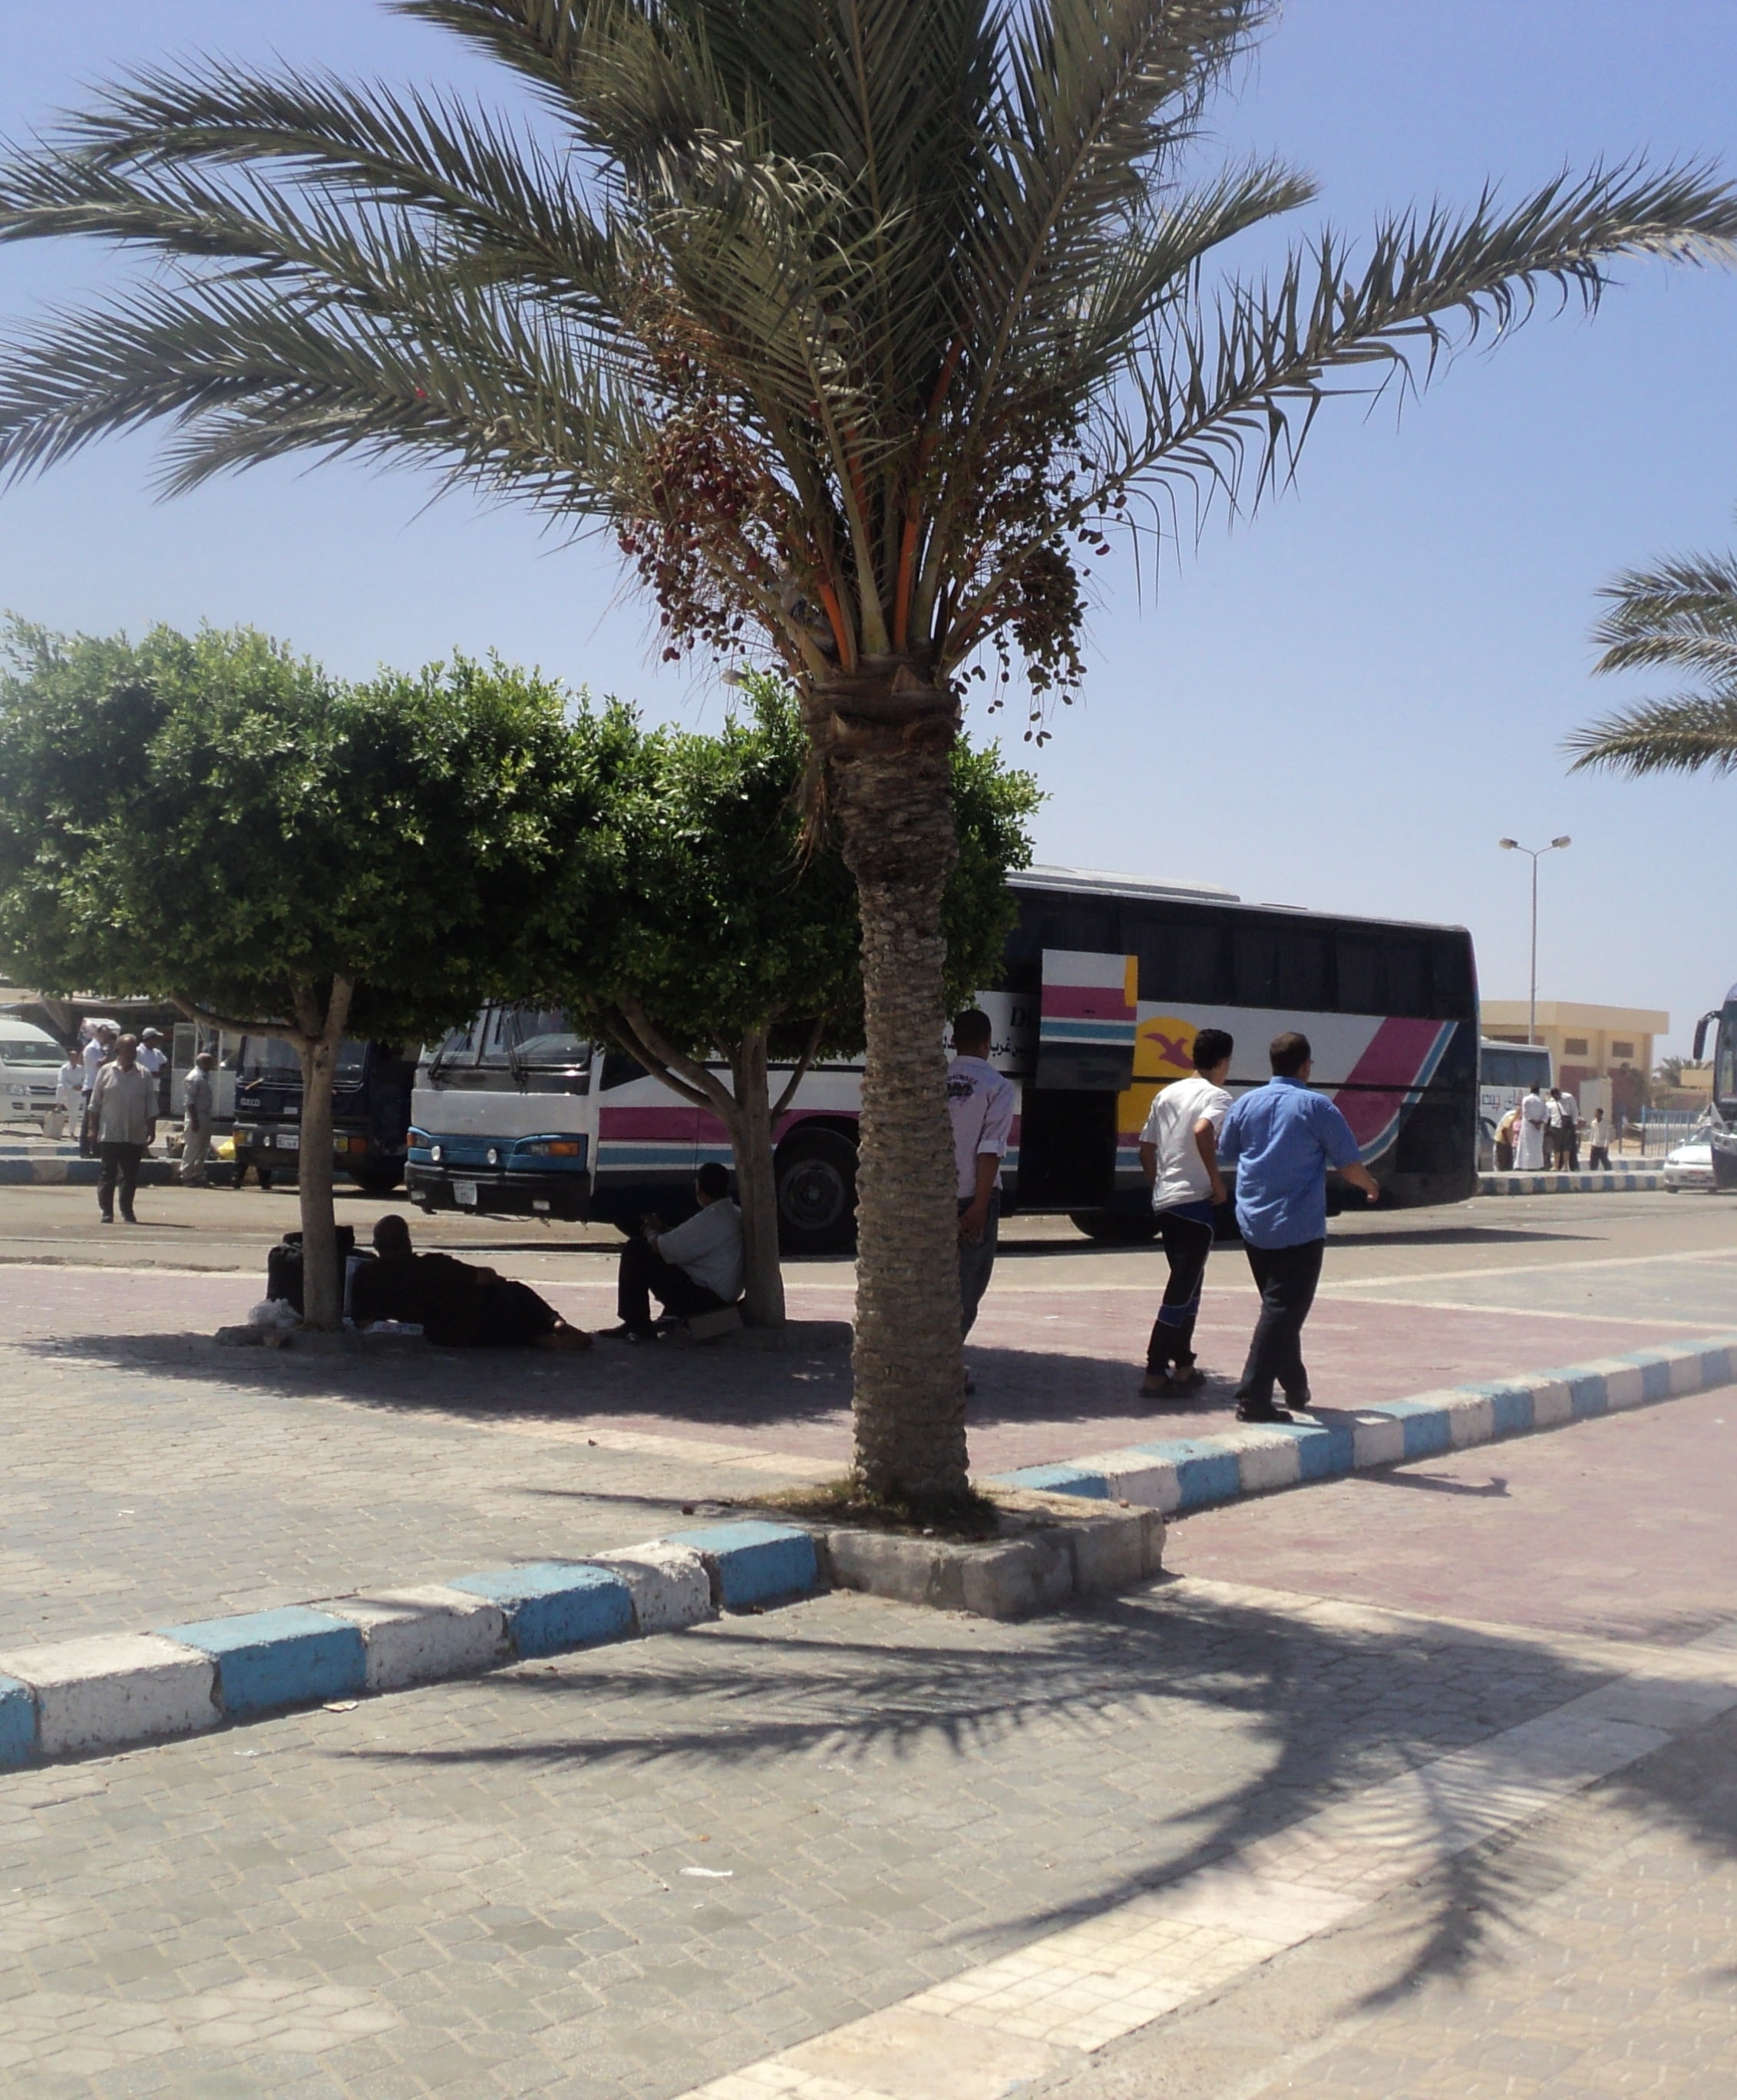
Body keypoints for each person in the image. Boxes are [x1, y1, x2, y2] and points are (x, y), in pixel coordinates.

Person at [1215, 1031, 1380, 1424]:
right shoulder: (1316, 1107)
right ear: (1305, 1066)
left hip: (1254, 1224)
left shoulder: (1246, 1103)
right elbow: (1348, 1164)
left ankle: (1295, 1386)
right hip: (1299, 1228)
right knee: (1283, 1310)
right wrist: (1371, 1187)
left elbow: (1227, 1151)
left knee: (1280, 1310)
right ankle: (1253, 1397)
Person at [1137, 1026, 1233, 1399]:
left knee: (1189, 1286)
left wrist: (1159, 1186)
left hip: (1167, 1203)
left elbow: (1147, 1149)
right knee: (1181, 1291)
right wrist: (1217, 1181)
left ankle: (1185, 1366)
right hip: (1196, 1204)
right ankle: (1154, 1370)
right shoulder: (1218, 1096)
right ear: (1223, 1062)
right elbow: (1203, 1130)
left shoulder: (1166, 1094)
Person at [352, 1213, 589, 1349]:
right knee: (514, 1292)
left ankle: (540, 1338)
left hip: (451, 1335)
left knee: (514, 1331)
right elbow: (484, 1277)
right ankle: (556, 1324)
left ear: (376, 1246)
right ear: (408, 1243)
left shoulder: (367, 1276)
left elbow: (364, 1321)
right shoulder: (433, 1266)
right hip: (483, 1316)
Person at [606, 1161, 745, 1342]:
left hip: (705, 1299)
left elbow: (661, 1248)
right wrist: (666, 1228)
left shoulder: (711, 1219)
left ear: (699, 1189)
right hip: (721, 1294)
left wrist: (651, 1230)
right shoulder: (733, 1213)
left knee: (636, 1250)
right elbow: (690, 1241)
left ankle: (637, 1325)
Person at [946, 1010, 1016, 1359]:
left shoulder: (935, 1081)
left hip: (934, 1198)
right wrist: (979, 1206)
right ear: (989, 1043)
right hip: (974, 1197)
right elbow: (990, 1150)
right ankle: (945, 1364)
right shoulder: (997, 1087)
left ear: (953, 1040)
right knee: (968, 1288)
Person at [88, 1033, 157, 1224]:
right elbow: (95, 1105)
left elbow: (151, 1104)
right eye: (128, 1050)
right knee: (107, 1174)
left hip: (134, 1134)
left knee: (130, 1175)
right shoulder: (105, 1072)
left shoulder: (144, 1074)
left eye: (134, 1050)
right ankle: (107, 1212)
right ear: (118, 1051)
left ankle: (127, 1211)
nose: (132, 1054)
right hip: (111, 1132)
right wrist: (92, 1129)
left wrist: (151, 1129)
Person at [180, 1049, 217, 1186]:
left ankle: (198, 1174)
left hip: (205, 1116)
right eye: (209, 1062)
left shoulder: (204, 1076)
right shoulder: (194, 1077)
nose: (212, 1065)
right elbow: (189, 1101)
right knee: (193, 1146)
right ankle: (186, 1175)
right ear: (202, 1063)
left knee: (203, 1147)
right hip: (196, 1116)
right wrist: (195, 1121)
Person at [78, 1022, 115, 1157]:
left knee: (99, 1120)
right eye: (105, 1035)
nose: (107, 1038)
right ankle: (84, 1149)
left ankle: (96, 1148)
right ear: (98, 1034)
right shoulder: (92, 1049)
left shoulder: (101, 1049)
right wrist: (111, 1049)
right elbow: (101, 1065)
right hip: (92, 1087)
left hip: (101, 1087)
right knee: (89, 1119)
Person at [51, 1051, 83, 1142]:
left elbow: (85, 1079)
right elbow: (61, 1081)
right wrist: (72, 1087)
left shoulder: (81, 1069)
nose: (74, 1059)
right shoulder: (64, 1068)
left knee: (74, 1114)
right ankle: (58, 1105)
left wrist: (80, 1086)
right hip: (66, 1092)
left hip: (76, 1094)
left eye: (76, 1057)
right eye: (72, 1057)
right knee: (60, 1086)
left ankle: (72, 1133)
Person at [1515, 1083, 1548, 1171]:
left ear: (1531, 1090)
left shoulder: (1526, 1100)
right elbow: (1546, 1115)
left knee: (1525, 1145)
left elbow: (1526, 1114)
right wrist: (1539, 1123)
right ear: (1538, 1091)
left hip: (1528, 1127)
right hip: (1538, 1129)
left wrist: (1533, 1123)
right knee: (1537, 1147)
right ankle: (1537, 1166)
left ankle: (1524, 1166)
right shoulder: (1542, 1101)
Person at [1558, 1084, 1580, 1170]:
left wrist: (1574, 1124)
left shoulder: (1569, 1097)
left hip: (1569, 1123)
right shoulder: (1554, 1100)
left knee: (1571, 1146)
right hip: (1560, 1124)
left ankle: (1574, 1166)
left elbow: (1574, 1110)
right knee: (1561, 1146)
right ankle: (1560, 1165)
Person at [1493, 1102, 1519, 1173]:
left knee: (1509, 1165)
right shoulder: (1511, 1117)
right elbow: (1504, 1130)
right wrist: (1508, 1143)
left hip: (1509, 1143)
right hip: (1502, 1142)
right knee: (1502, 1164)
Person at [1587, 1105, 1612, 1171]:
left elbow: (1607, 1135)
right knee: (1593, 1161)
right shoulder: (1593, 1122)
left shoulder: (1606, 1123)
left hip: (1603, 1145)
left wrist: (1606, 1145)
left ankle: (1609, 1171)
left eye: (1597, 1113)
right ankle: (1593, 1171)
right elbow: (1592, 1133)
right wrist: (1591, 1143)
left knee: (1604, 1160)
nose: (1595, 1114)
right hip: (1595, 1144)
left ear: (1600, 1114)